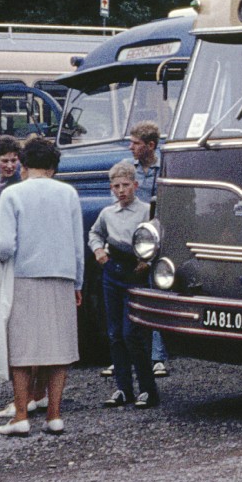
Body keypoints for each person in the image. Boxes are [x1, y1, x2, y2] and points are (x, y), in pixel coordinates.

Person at [0, 136, 83, 436]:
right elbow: (77, 244)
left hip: (24, 276)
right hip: (62, 275)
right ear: (54, 166)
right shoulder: (68, 193)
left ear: (24, 163)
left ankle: (21, 416)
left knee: (22, 350)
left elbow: (5, 244)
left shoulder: (12, 194)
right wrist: (78, 281)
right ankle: (54, 415)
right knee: (59, 348)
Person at [89, 161, 158, 409]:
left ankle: (148, 389)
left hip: (136, 270)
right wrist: (99, 251)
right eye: (116, 186)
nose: (121, 191)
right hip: (113, 269)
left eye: (126, 185)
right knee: (115, 333)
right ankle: (123, 388)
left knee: (133, 334)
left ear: (135, 185)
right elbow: (95, 233)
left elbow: (156, 238)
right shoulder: (108, 214)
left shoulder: (146, 211)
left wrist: (148, 262)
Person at [127, 120, 169, 377]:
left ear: (150, 146)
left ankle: (158, 356)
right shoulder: (128, 170)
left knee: (157, 294)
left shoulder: (163, 167)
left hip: (156, 237)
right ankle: (129, 353)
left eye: (136, 143)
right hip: (133, 236)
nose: (130, 147)